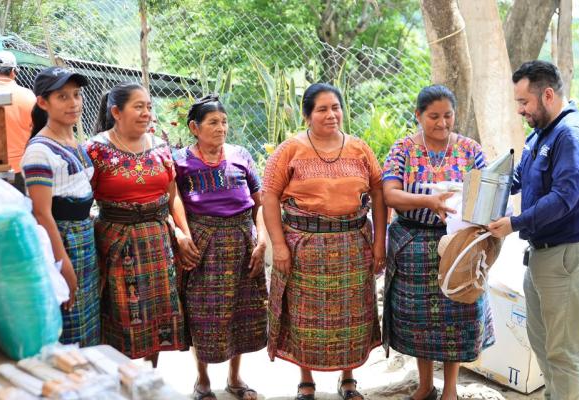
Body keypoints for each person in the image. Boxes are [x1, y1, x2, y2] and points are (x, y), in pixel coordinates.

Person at [487, 60, 579, 400]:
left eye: (524, 102)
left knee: (564, 352)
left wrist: (513, 224)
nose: (521, 110)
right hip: (543, 256)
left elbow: (563, 199)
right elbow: (519, 178)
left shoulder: (572, 135)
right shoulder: (540, 133)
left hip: (569, 255)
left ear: (548, 94)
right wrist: (482, 187)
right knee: (541, 343)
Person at [262, 83, 386, 400]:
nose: (331, 115)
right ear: (307, 115)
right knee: (305, 316)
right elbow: (270, 196)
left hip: (353, 245)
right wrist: (278, 245)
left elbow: (378, 193)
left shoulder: (360, 148)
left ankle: (348, 379)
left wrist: (379, 243)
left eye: (335, 107)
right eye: (322, 109)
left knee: (350, 316)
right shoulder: (290, 150)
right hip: (304, 246)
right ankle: (306, 380)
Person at [382, 84, 493, 400]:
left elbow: (487, 189)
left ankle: (451, 390)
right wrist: (429, 201)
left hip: (460, 246)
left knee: (457, 314)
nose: (442, 123)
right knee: (419, 317)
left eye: (448, 115)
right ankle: (425, 384)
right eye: (433, 116)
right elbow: (390, 194)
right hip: (414, 244)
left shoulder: (470, 150)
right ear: (418, 115)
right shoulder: (403, 149)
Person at [86, 82, 198, 363]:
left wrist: (182, 235)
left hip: (159, 243)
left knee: (158, 313)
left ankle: (149, 378)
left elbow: (172, 198)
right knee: (123, 313)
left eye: (149, 106)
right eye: (138, 106)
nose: (147, 113)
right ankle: (123, 383)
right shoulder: (95, 150)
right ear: (116, 111)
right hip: (117, 243)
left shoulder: (160, 147)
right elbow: (84, 200)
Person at [173, 95, 267, 400]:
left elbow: (260, 203)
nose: (221, 128)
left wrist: (262, 241)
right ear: (194, 127)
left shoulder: (241, 155)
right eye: (213, 122)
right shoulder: (180, 162)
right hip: (203, 245)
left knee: (241, 311)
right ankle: (202, 381)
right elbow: (171, 204)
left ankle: (235, 378)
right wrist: (182, 236)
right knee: (203, 313)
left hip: (242, 242)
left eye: (224, 122)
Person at [20, 66, 99, 346]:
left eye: (77, 95)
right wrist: (61, 261)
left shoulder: (72, 141)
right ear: (43, 102)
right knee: (70, 319)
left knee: (88, 321)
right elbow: (41, 212)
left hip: (83, 237)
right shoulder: (40, 150)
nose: (73, 103)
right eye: (62, 97)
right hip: (63, 241)